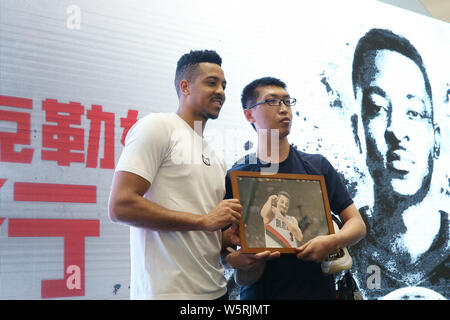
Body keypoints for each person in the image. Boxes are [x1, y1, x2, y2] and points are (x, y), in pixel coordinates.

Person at [108, 49, 241, 300]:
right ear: (185, 86)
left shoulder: (216, 158)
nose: (221, 92)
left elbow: (204, 224)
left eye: (224, 85)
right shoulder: (158, 126)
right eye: (211, 82)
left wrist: (224, 238)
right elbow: (120, 206)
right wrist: (204, 221)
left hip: (216, 292)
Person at [223, 77, 366, 299]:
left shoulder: (317, 166)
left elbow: (356, 224)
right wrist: (234, 260)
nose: (283, 109)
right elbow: (223, 246)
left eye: (287, 102)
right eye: (272, 101)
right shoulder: (237, 176)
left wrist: (332, 241)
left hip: (317, 292)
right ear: (249, 114)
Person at [350, 28, 448, 299]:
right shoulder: (342, 249)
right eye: (378, 108)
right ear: (357, 132)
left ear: (436, 140)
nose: (395, 129)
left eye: (414, 113)